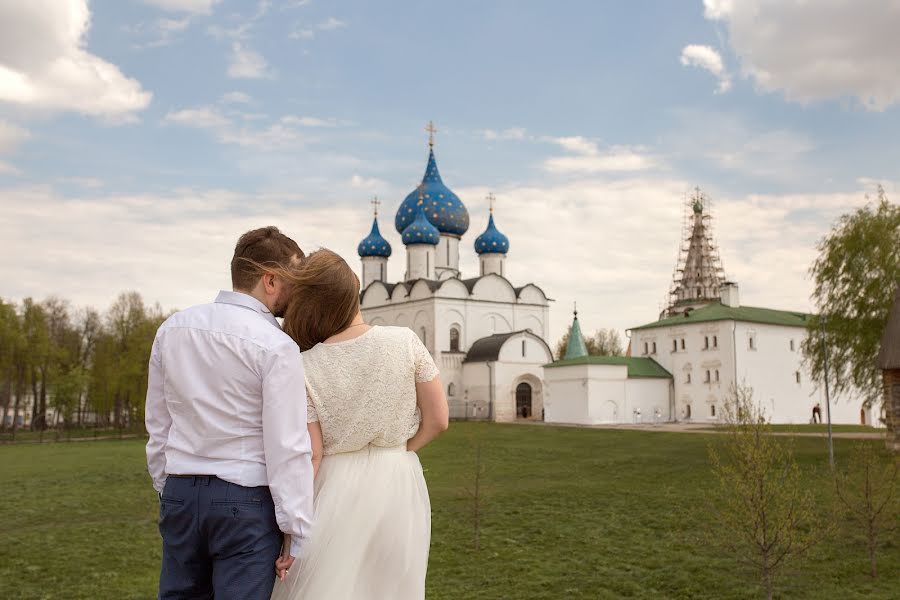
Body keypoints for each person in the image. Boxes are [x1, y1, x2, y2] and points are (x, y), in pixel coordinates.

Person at [145, 227, 315, 600]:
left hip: (180, 492)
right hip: (244, 502)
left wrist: (168, 488)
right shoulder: (276, 346)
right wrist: (295, 529)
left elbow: (159, 424)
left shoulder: (172, 329)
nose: (297, 292)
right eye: (293, 280)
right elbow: (286, 445)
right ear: (270, 280)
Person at [270, 249, 448, 600]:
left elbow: (312, 455)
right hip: (398, 479)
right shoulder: (405, 341)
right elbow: (439, 421)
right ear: (356, 287)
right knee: (393, 586)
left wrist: (291, 536)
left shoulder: (303, 365)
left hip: (333, 484)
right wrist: (396, 450)